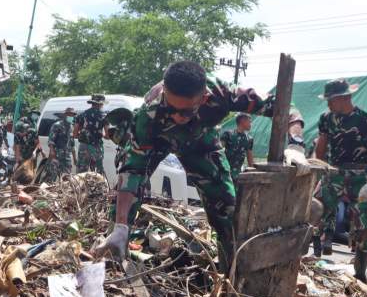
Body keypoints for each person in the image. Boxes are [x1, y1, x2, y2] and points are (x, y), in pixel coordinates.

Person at [97, 61, 274, 272]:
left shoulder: (222, 93)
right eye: (171, 108)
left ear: (204, 98)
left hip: (199, 140)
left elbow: (281, 106)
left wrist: (296, 141)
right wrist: (120, 226)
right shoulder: (148, 114)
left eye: (187, 111)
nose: (177, 117)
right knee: (125, 201)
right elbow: (132, 170)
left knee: (225, 204)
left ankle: (232, 268)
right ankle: (114, 252)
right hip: (158, 138)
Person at [315, 78, 367, 281]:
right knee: (315, 211)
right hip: (334, 172)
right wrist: (316, 174)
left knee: (364, 227)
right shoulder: (326, 119)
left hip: (360, 177)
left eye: (331, 100)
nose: (328, 104)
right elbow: (319, 150)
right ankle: (317, 256)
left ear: (344, 97)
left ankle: (360, 275)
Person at [75, 94, 107, 174]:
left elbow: (75, 133)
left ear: (92, 103)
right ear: (101, 104)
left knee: (81, 172)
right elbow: (108, 135)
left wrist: (82, 135)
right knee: (97, 173)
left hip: (84, 146)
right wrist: (102, 135)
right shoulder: (104, 116)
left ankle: (79, 186)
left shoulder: (82, 114)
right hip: (97, 147)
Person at [220, 113, 255, 182]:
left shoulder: (249, 139)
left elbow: (250, 158)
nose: (251, 124)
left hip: (238, 174)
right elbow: (218, 151)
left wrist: (253, 173)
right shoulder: (228, 134)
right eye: (249, 122)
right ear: (242, 121)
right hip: (225, 172)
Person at [45, 107, 76, 182]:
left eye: (72, 115)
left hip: (67, 157)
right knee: (52, 177)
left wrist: (74, 158)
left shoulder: (71, 127)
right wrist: (52, 152)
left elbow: (72, 144)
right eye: (69, 115)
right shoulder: (57, 125)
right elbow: (51, 140)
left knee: (67, 179)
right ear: (65, 115)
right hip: (56, 155)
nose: (71, 117)